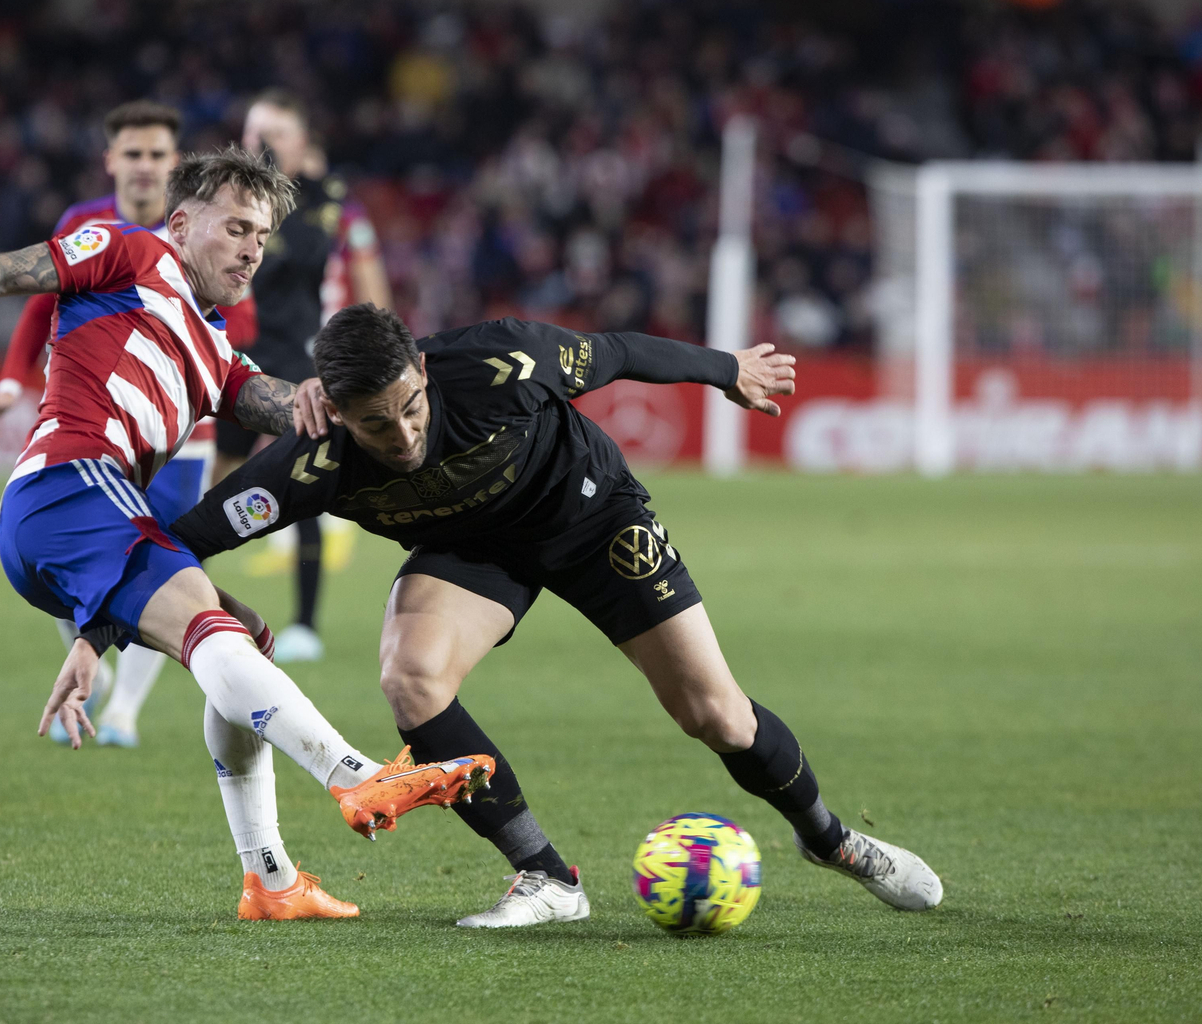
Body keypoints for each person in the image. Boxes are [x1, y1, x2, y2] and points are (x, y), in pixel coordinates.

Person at [0, 151, 495, 921]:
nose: (254, 248)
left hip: (94, 518)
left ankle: (272, 880)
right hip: (67, 483)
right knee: (210, 630)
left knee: (244, 641)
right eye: (238, 228)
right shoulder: (130, 250)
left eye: (263, 235)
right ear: (183, 223)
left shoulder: (215, 349)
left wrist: (360, 402)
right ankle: (355, 775)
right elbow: (9, 270)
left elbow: (287, 408)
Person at [152, 304, 944, 928]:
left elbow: (618, 352)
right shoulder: (310, 462)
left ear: (424, 371)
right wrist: (160, 615)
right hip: (473, 553)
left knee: (715, 714)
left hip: (591, 518)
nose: (402, 436)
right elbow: (179, 546)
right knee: (411, 677)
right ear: (333, 413)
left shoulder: (504, 361)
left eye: (410, 408)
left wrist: (726, 369)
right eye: (375, 424)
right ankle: (547, 878)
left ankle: (831, 838)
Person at [0, 100, 203, 749]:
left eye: (158, 154)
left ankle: (125, 711)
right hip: (93, 430)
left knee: (163, 563)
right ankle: (89, 660)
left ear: (175, 162)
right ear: (110, 160)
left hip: (179, 437)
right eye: (133, 153)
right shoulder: (83, 224)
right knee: (73, 556)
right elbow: (40, 300)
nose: (145, 166)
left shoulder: (196, 232)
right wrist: (11, 381)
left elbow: (228, 324)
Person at [214, 89, 393, 664]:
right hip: (229, 359)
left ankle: (306, 625)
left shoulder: (332, 203)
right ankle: (184, 604)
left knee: (309, 476)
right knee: (217, 488)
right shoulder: (217, 198)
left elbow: (368, 279)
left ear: (301, 143)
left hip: (295, 360)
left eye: (274, 135)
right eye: (251, 135)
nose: (260, 146)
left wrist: (379, 346)